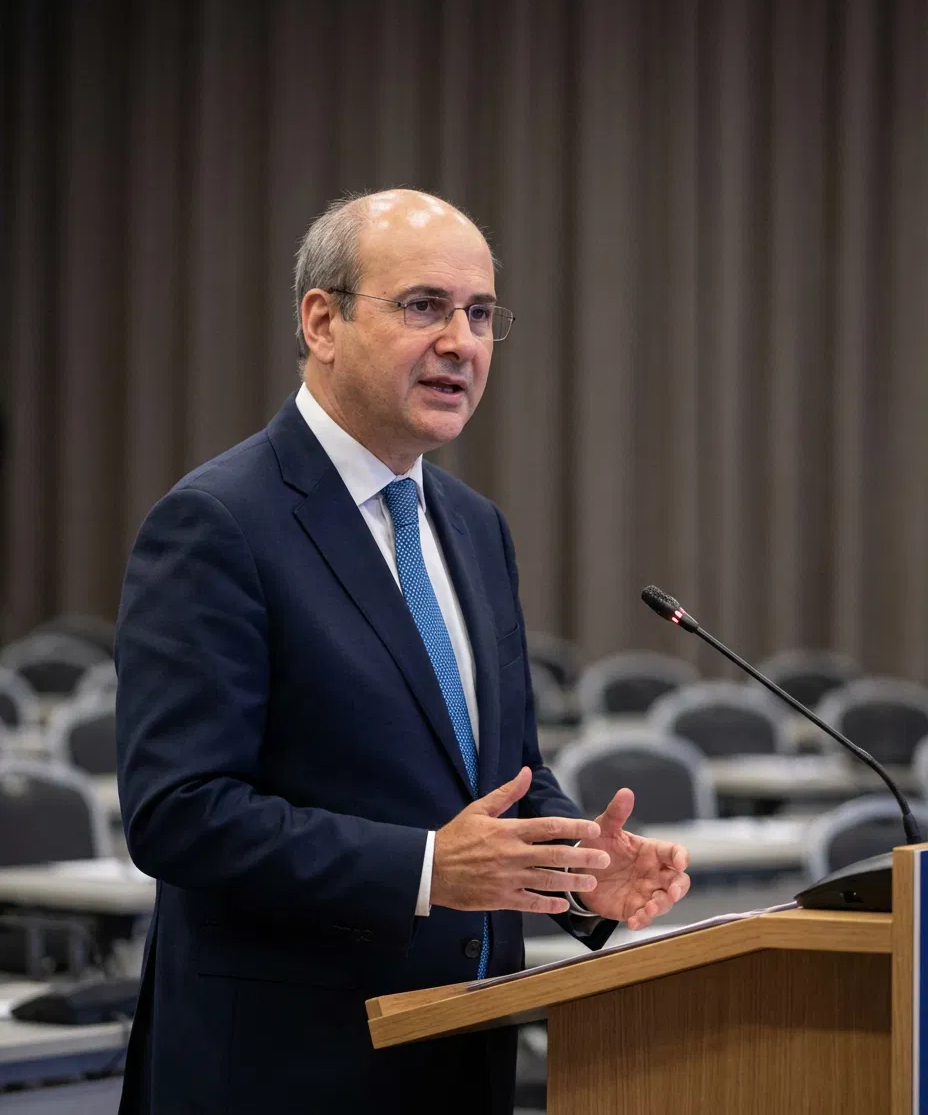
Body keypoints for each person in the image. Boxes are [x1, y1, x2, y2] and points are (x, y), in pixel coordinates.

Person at [114, 189, 691, 1115]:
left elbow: (502, 773)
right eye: (425, 306)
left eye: (480, 314)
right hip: (284, 1069)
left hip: (459, 1051)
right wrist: (424, 868)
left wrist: (583, 873)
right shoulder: (219, 523)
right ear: (322, 322)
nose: (462, 341)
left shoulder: (472, 527)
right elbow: (180, 814)